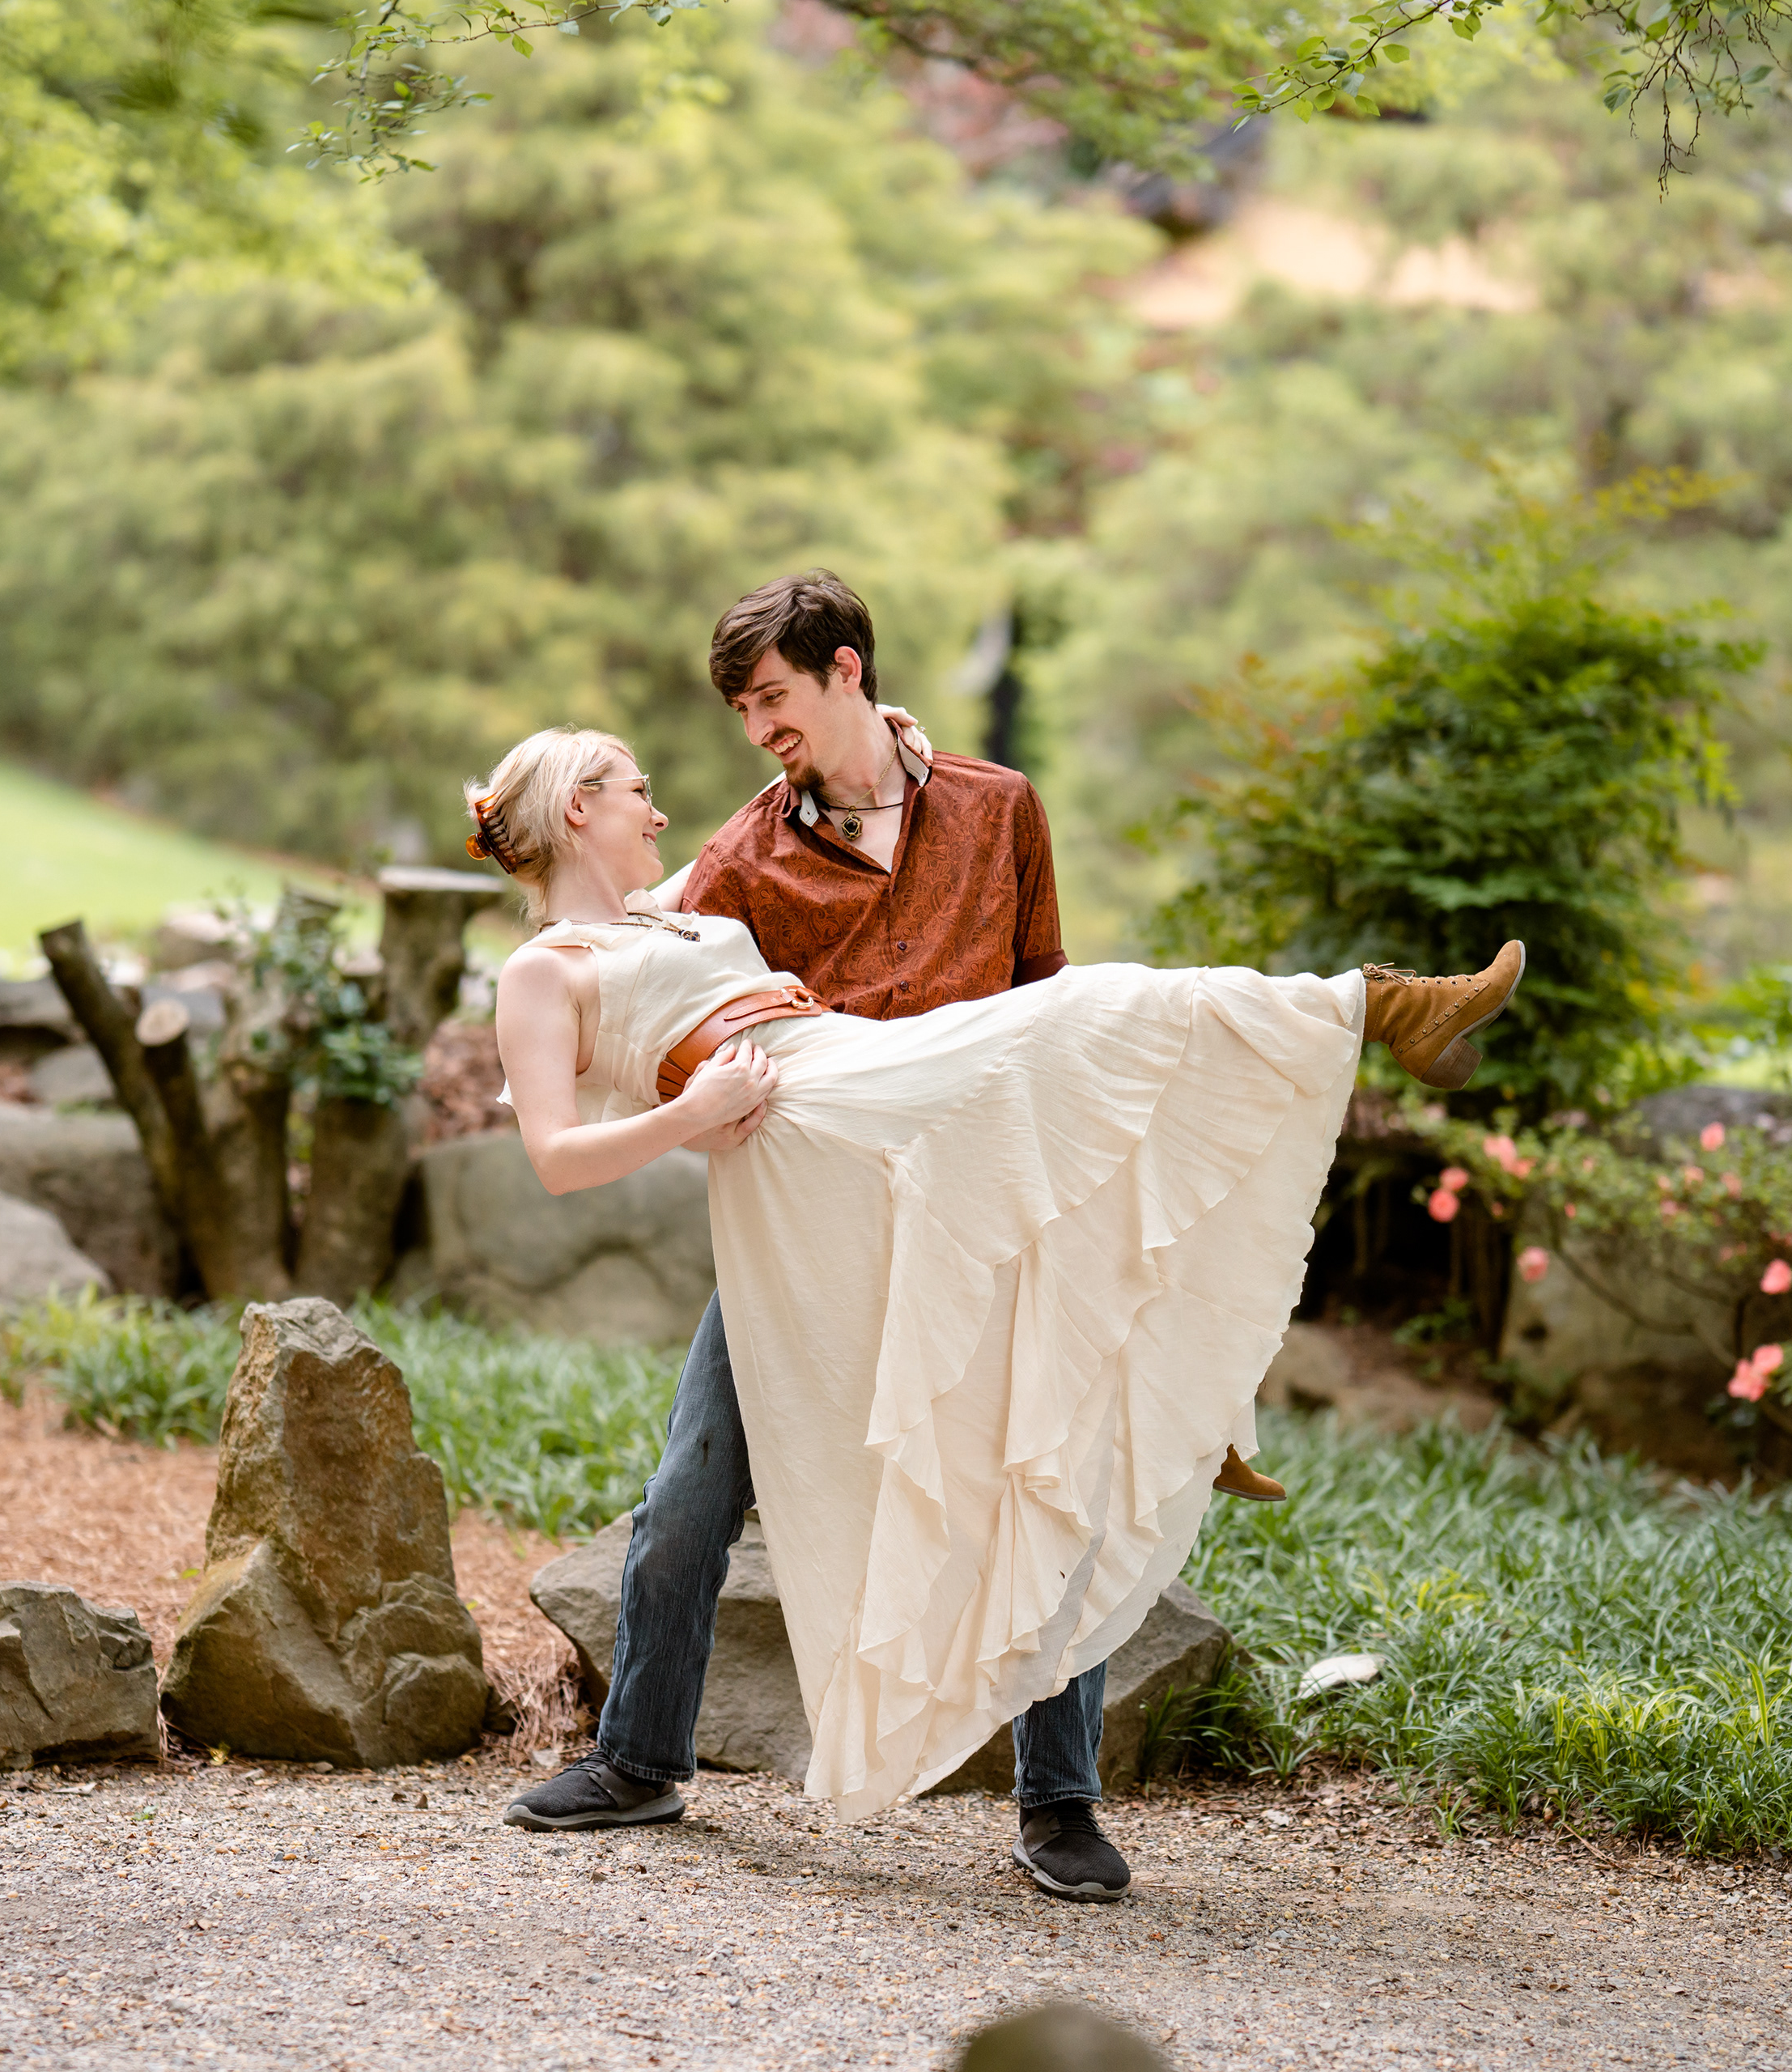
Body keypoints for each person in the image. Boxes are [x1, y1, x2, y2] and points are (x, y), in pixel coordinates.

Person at [489, 584, 1521, 1896]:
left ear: (845, 670)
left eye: (772, 700)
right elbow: (604, 974)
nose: (752, 734)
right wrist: (702, 1089)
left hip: (985, 1170)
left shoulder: (996, 804)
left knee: (1052, 1463)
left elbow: (1042, 1004)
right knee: (696, 1480)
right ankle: (637, 1758)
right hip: (829, 1194)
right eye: (739, 711)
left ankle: (1060, 1803)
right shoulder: (738, 857)